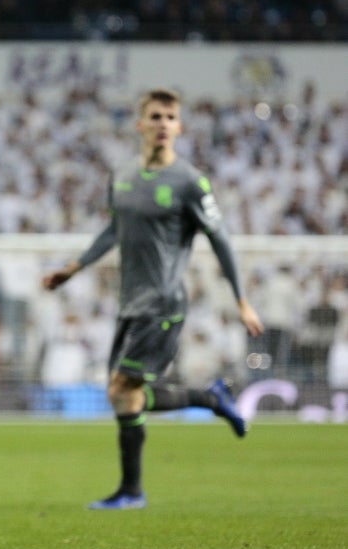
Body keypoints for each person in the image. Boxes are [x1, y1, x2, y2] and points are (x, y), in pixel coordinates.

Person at [42, 87, 264, 511]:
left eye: (170, 117)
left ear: (179, 127)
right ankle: (209, 399)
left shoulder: (190, 182)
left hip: (164, 303)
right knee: (123, 394)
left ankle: (132, 491)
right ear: (140, 124)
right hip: (130, 302)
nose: (163, 124)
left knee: (124, 388)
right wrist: (74, 268)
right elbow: (113, 231)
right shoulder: (122, 175)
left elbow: (222, 241)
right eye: (156, 116)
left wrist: (241, 299)